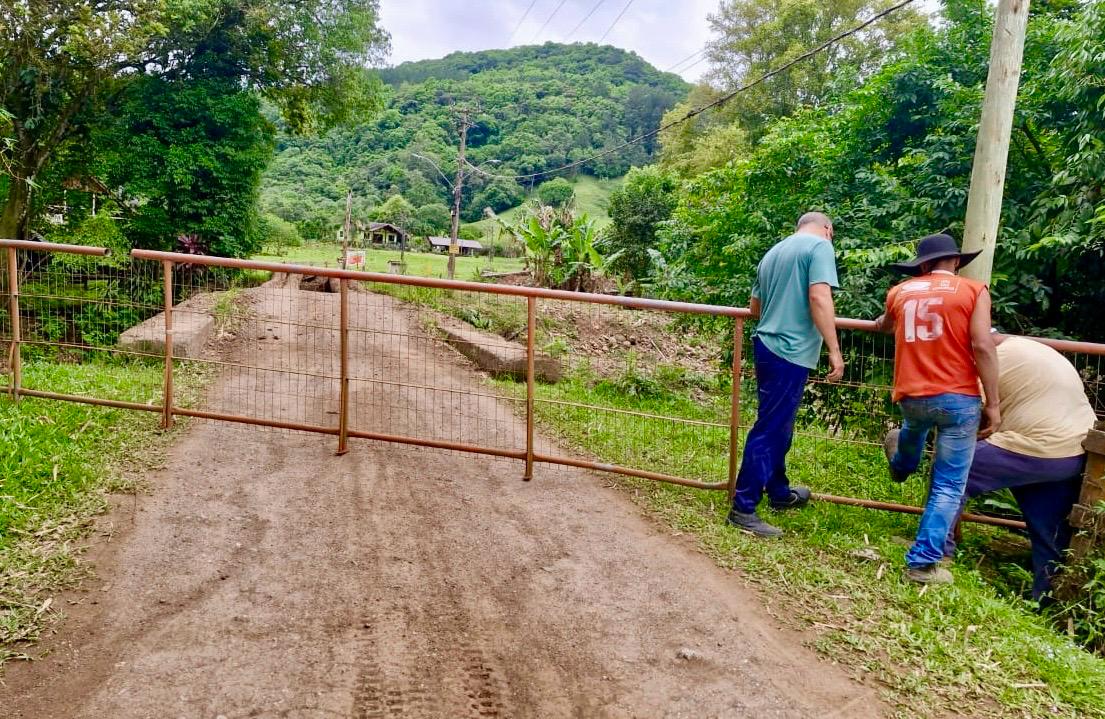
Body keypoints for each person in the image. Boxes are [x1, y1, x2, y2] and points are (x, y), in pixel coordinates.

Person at [875, 233, 1000, 585]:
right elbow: (982, 345)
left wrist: (879, 324)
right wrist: (995, 403)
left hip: (912, 395)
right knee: (948, 483)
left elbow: (885, 324)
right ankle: (922, 563)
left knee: (913, 430)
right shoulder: (974, 291)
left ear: (923, 265)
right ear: (956, 262)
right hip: (959, 399)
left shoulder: (900, 291)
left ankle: (901, 462)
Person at [945, 332, 1096, 601]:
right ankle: (1047, 600)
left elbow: (967, 416)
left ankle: (937, 551)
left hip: (1034, 446)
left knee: (952, 470)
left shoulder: (987, 359)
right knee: (1049, 531)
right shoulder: (1033, 349)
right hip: (1073, 453)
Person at [727, 211, 844, 538]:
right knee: (771, 428)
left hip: (767, 344)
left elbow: (754, 308)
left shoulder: (773, 253)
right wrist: (834, 350)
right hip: (790, 350)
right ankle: (744, 507)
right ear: (827, 229)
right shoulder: (819, 247)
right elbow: (820, 297)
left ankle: (778, 492)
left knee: (780, 426)